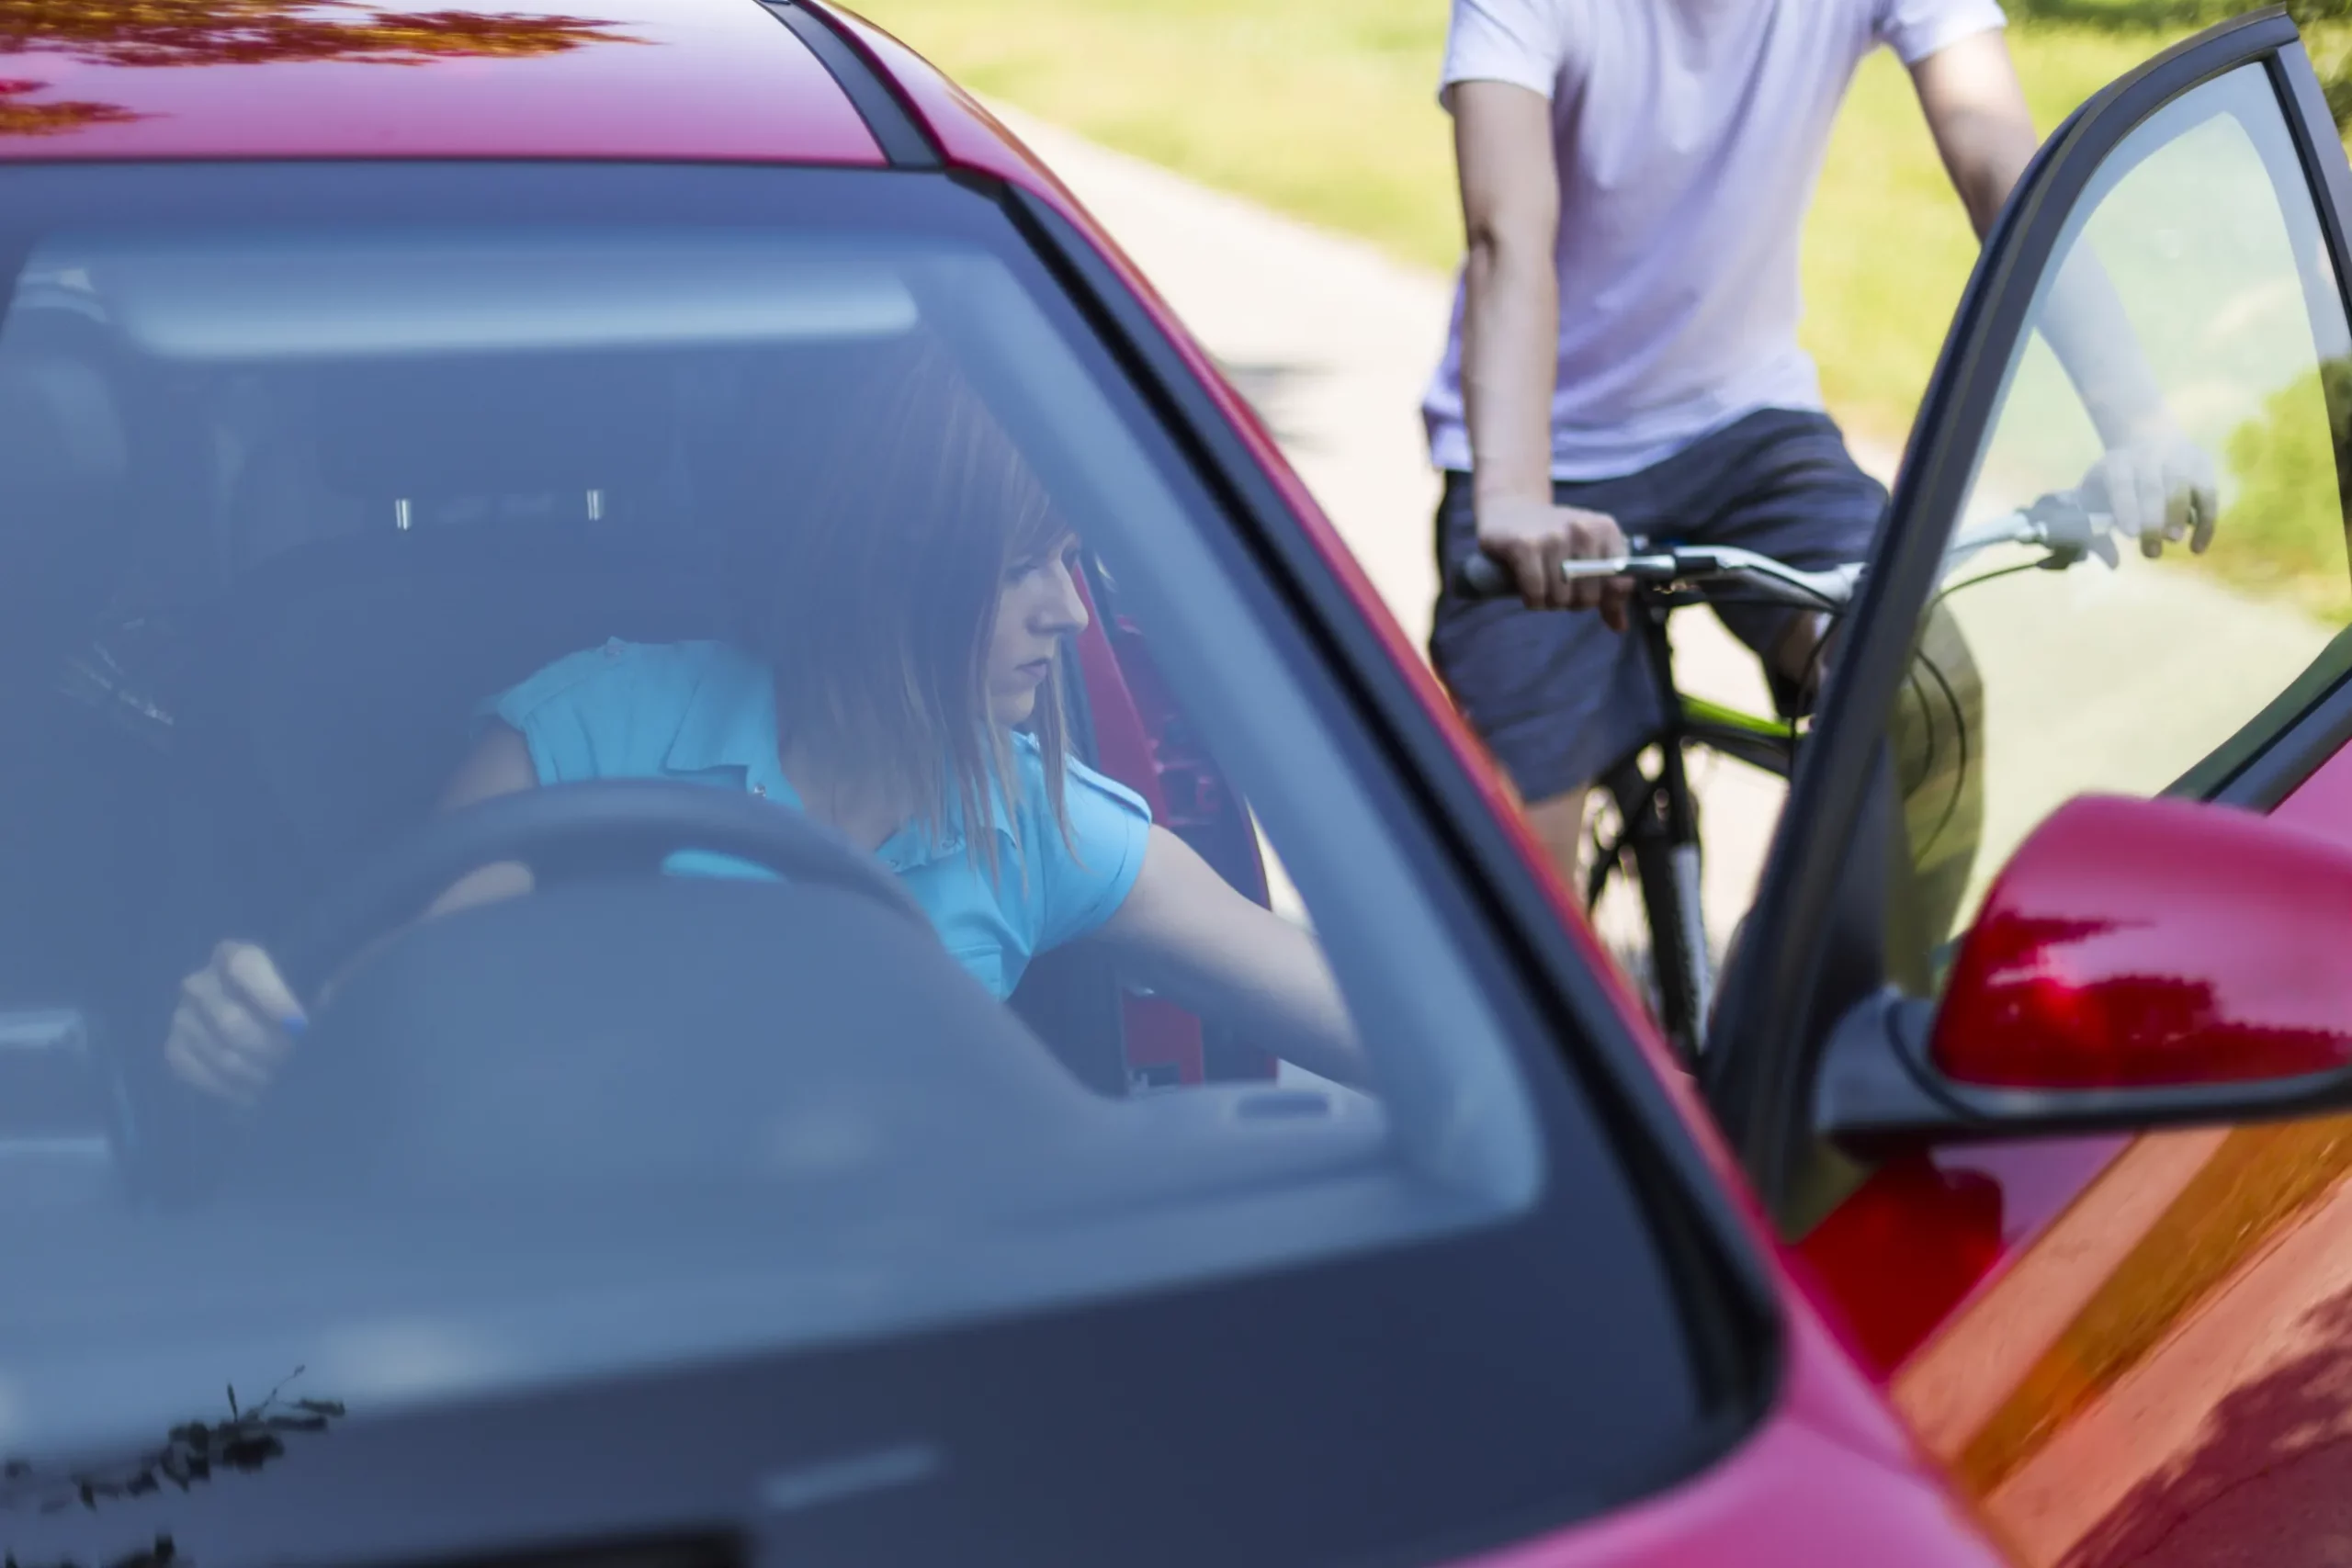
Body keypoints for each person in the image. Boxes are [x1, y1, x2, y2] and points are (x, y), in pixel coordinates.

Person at [162, 343, 1365, 1103]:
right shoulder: (590, 731)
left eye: (1069, 561)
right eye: (1022, 569)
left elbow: (1369, 1018)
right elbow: (376, 1029)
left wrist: (1523, 1026)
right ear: (898, 564)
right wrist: (254, 1029)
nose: (1066, 612)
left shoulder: (1029, 818)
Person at [1426, 0, 2217, 892]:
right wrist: (1516, 494)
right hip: (1540, 458)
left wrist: (2137, 425)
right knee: (1518, 890)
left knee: (1922, 697)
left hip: (1746, 426)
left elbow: (2000, 162)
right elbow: (1506, 236)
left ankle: (1826, 1018)